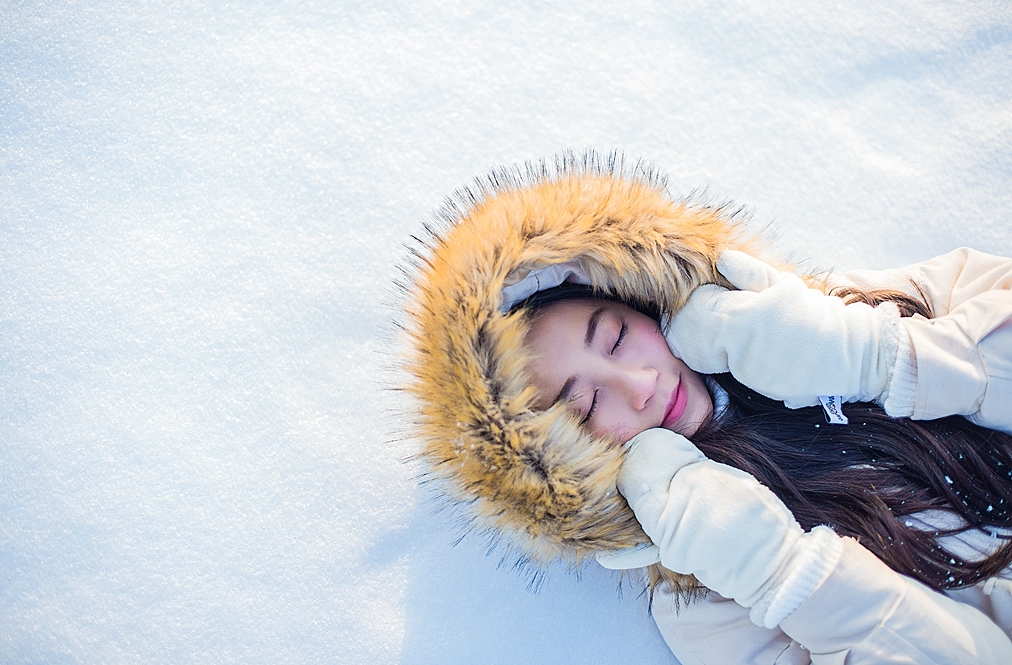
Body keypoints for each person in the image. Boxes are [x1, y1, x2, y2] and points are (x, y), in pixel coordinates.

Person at [397, 153, 1012, 663]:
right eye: (585, 407)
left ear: (642, 300)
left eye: (615, 337)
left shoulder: (840, 314)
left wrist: (876, 356)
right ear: (564, 459)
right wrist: (780, 573)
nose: (639, 385)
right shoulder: (708, 598)